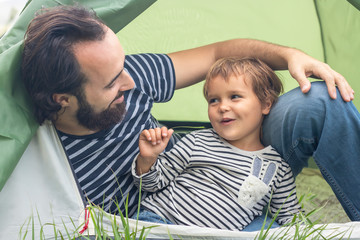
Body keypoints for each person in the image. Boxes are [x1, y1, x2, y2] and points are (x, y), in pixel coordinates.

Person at [21, 5, 360, 224]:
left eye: (123, 66)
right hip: (162, 214)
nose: (130, 81)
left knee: (318, 97)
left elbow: (217, 52)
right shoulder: (45, 162)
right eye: (113, 83)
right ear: (62, 99)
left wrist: (290, 56)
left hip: (225, 166)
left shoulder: (132, 73)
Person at [132, 57, 302, 231]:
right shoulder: (197, 141)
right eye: (214, 100)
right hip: (159, 221)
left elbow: (290, 216)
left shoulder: (278, 170)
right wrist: (147, 159)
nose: (222, 107)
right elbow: (151, 185)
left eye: (234, 97)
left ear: (266, 104)